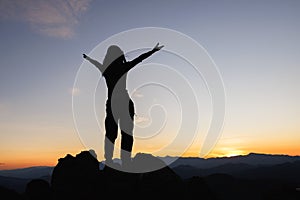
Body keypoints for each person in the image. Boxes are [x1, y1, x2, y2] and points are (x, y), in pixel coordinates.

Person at [83, 43, 164, 168]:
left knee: (111, 134)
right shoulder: (123, 67)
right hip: (125, 103)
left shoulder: (106, 69)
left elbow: (97, 64)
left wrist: (89, 59)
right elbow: (139, 59)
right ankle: (125, 161)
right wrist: (153, 51)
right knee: (126, 134)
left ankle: (109, 161)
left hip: (112, 104)